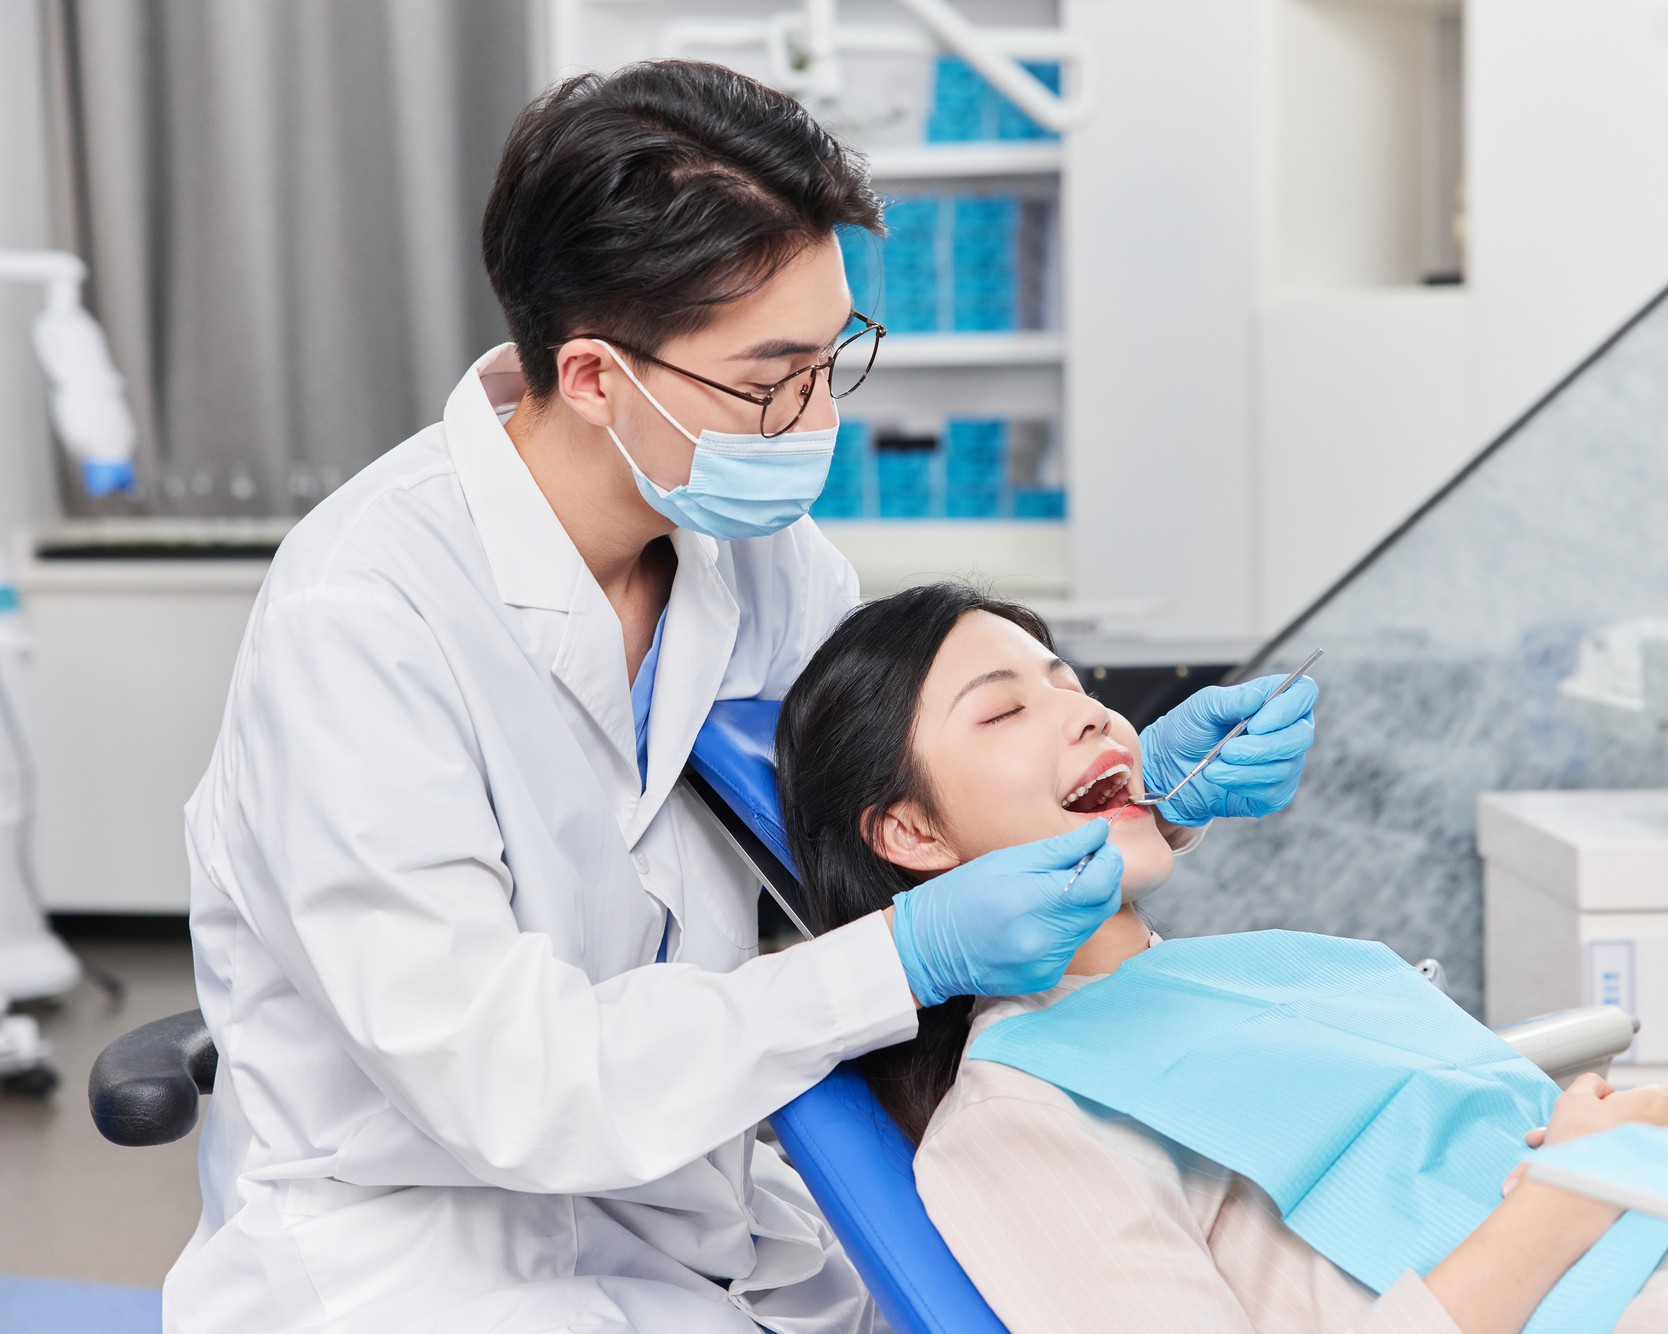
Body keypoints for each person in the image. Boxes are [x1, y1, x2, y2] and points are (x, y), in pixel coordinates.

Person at [165, 61, 1319, 1334]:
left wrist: (1129, 794)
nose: (817, 416)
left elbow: (899, 819)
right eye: (771, 377)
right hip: (419, 1236)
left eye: (832, 357)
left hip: (694, 1190)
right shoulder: (362, 617)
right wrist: (907, 954)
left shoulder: (765, 560)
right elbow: (504, 1083)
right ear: (594, 376)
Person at [773, 582, 1668, 1334]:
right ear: (910, 832)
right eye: (1004, 710)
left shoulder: (1267, 971)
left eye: (1072, 682)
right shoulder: (1018, 1121)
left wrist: (1631, 1155)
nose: (1088, 711)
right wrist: (1571, 1190)